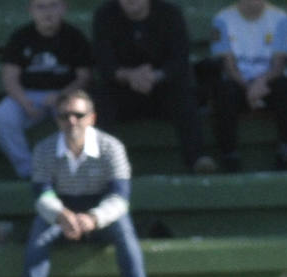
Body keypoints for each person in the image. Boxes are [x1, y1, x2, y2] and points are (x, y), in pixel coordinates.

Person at [22, 90, 151, 277]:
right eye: (64, 116)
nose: (72, 121)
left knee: (125, 231)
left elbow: (120, 197)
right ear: (57, 120)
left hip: (102, 210)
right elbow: (42, 193)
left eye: (79, 115)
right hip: (61, 210)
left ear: (92, 118)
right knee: (38, 234)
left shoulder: (112, 147)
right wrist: (61, 215)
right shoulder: (44, 149)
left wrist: (94, 218)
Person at [91, 0, 215, 174]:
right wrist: (131, 75)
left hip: (162, 89)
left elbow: (179, 60)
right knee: (100, 97)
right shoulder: (105, 15)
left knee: (184, 92)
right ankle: (103, 163)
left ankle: (196, 158)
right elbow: (105, 64)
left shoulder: (170, 14)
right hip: (124, 91)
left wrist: (154, 76)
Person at [0, 0, 93, 179]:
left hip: (65, 94)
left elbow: (84, 77)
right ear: (31, 10)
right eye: (41, 7)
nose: (47, 12)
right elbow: (9, 77)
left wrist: (62, 96)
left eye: (53, 5)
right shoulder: (21, 36)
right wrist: (24, 101)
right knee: (1, 117)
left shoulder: (74, 36)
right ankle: (29, 171)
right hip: (28, 94)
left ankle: (73, 169)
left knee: (76, 115)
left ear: (64, 8)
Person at [207, 0, 287, 171]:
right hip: (238, 83)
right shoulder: (221, 20)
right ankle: (229, 154)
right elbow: (228, 66)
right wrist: (248, 87)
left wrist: (261, 83)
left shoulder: (281, 18)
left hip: (268, 82)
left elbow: (279, 64)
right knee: (223, 91)